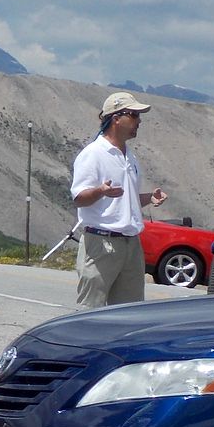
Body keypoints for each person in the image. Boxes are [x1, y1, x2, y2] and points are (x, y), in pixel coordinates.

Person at [70, 90, 167, 308]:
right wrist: (100, 191)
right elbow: (79, 198)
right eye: (133, 115)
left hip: (131, 244)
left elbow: (125, 200)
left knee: (128, 312)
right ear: (116, 118)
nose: (138, 121)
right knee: (90, 310)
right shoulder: (93, 153)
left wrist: (149, 198)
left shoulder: (129, 156)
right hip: (102, 243)